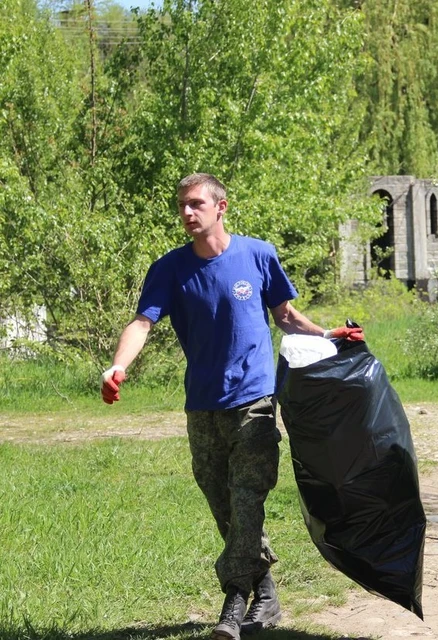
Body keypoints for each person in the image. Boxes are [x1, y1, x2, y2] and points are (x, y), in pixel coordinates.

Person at [100, 173, 363, 640]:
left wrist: (327, 335)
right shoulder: (169, 268)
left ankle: (234, 602)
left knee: (248, 497)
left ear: (221, 207)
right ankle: (264, 592)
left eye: (195, 204)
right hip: (201, 406)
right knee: (223, 503)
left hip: (255, 400)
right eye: (181, 205)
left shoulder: (258, 254)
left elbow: (284, 316)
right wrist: (117, 366)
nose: (186, 212)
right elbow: (142, 323)